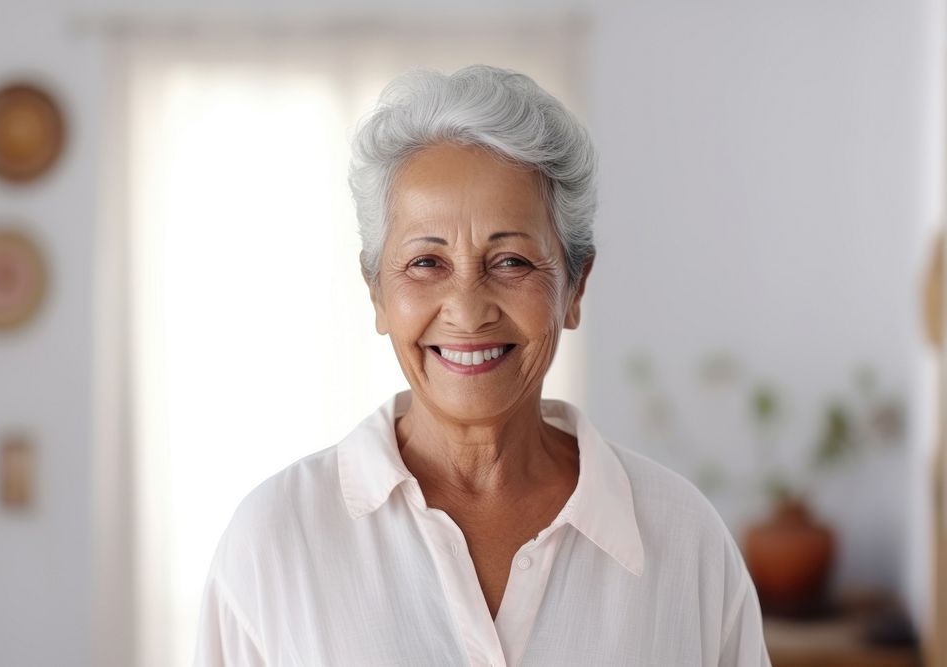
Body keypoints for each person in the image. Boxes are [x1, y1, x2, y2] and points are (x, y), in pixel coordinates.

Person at [194, 64, 771, 666]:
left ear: (574, 289)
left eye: (513, 262)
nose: (467, 312)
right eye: (425, 263)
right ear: (376, 293)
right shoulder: (274, 540)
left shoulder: (684, 540)